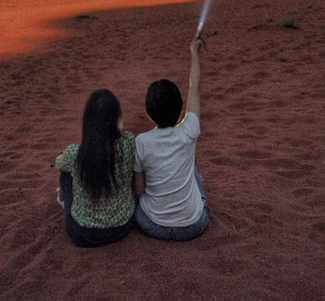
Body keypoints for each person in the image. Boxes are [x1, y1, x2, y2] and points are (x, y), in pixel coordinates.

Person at [133, 36, 209, 240]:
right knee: (191, 161)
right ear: (180, 109)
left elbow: (139, 192)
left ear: (148, 113)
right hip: (194, 225)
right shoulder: (189, 130)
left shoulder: (141, 142)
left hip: (153, 224)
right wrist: (194, 53)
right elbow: (195, 87)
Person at [54, 88, 136, 247]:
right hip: (122, 227)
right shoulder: (128, 143)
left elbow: (58, 163)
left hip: (83, 233)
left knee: (66, 172)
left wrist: (64, 154)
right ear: (117, 118)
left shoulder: (75, 153)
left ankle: (64, 201)